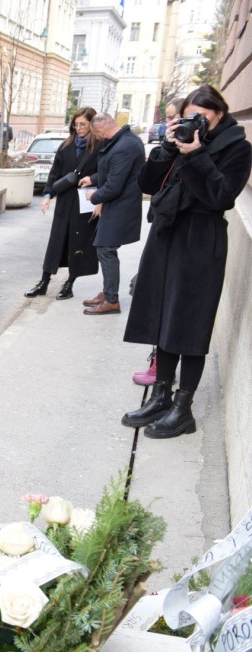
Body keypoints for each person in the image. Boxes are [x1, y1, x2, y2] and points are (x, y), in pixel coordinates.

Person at [120, 85, 251, 439]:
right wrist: (166, 149)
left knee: (190, 324)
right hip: (167, 235)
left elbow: (220, 196)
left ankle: (183, 409)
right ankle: (161, 395)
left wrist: (195, 154)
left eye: (202, 116)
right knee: (163, 316)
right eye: (189, 116)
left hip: (200, 242)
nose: (196, 123)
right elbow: (147, 184)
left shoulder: (237, 148)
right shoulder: (180, 140)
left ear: (220, 113)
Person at [131, 97, 186, 387]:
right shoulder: (169, 147)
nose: (170, 125)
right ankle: (158, 363)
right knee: (154, 298)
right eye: (168, 119)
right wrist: (165, 147)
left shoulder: (194, 149)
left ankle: (161, 369)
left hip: (183, 236)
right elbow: (146, 183)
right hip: (161, 227)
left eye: (175, 119)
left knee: (169, 305)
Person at [28, 108, 100, 300]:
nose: (79, 128)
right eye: (76, 124)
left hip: (85, 202)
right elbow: (55, 172)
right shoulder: (66, 145)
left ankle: (69, 283)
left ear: (92, 124)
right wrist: (48, 195)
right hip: (65, 201)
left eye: (83, 124)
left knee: (77, 243)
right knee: (55, 242)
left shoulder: (99, 147)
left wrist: (97, 192)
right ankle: (43, 282)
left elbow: (106, 173)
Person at [78, 112, 145, 315]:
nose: (96, 138)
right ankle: (108, 293)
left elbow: (115, 185)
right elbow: (113, 172)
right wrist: (94, 178)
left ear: (100, 129)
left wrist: (94, 195)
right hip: (117, 205)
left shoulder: (124, 147)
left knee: (106, 249)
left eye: (95, 134)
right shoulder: (123, 140)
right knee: (103, 248)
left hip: (121, 206)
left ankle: (111, 300)